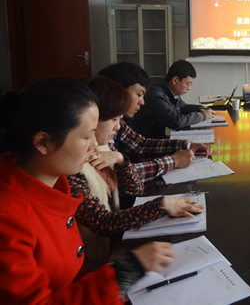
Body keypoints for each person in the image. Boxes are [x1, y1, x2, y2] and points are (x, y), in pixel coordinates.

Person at [0, 77, 174, 303]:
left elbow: (71, 273)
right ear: (43, 143)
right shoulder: (9, 219)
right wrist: (126, 271)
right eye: (86, 136)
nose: (94, 145)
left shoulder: (54, 186)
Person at [68, 76, 203, 269]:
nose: (118, 126)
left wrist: (122, 161)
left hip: (111, 245)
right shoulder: (74, 166)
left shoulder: (103, 147)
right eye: (114, 119)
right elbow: (101, 222)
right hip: (93, 262)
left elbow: (135, 188)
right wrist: (161, 205)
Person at [98, 62, 211, 183]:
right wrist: (173, 161)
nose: (142, 102)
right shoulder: (101, 126)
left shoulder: (117, 121)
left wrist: (185, 145)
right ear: (118, 92)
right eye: (139, 95)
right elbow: (118, 177)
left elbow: (140, 145)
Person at [128, 60, 215, 139]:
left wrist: (201, 109)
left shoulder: (169, 91)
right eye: (188, 84)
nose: (189, 88)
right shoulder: (156, 96)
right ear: (175, 80)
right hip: (146, 141)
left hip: (155, 139)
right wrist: (203, 115)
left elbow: (183, 107)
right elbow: (177, 121)